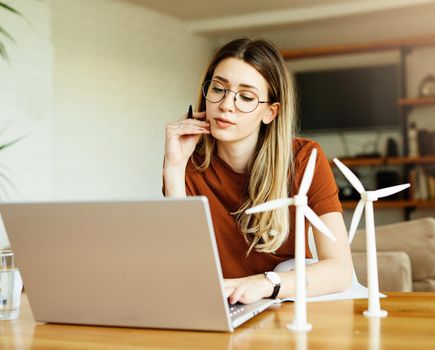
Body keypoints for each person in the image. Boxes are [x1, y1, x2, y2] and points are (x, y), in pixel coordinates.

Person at [163, 38, 353, 305]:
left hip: (283, 303)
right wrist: (173, 168)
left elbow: (341, 271)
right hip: (219, 305)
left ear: (271, 112)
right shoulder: (189, 162)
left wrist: (263, 284)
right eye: (219, 89)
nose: (226, 104)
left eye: (246, 97)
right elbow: (183, 268)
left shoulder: (304, 158)